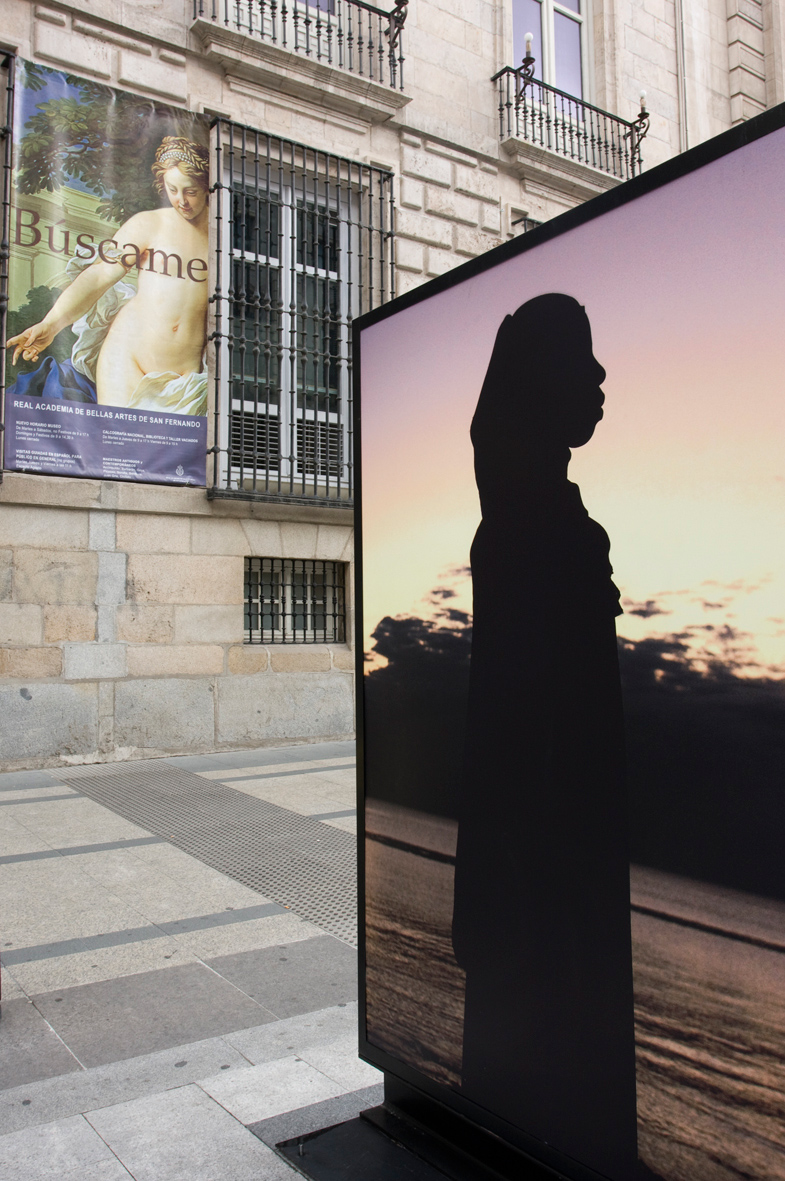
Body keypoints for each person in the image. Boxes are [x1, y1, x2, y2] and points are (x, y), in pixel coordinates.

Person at [452, 294, 641, 1179]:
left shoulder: (534, 526)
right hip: (550, 898)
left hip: (546, 888)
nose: (600, 378)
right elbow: (529, 744)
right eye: (581, 359)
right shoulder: (540, 537)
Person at [8, 136, 209, 415]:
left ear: (207, 187)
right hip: (128, 359)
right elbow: (100, 275)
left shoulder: (219, 239)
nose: (182, 200)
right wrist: (51, 324)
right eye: (172, 189)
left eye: (192, 191)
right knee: (116, 452)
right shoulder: (148, 224)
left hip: (188, 378)